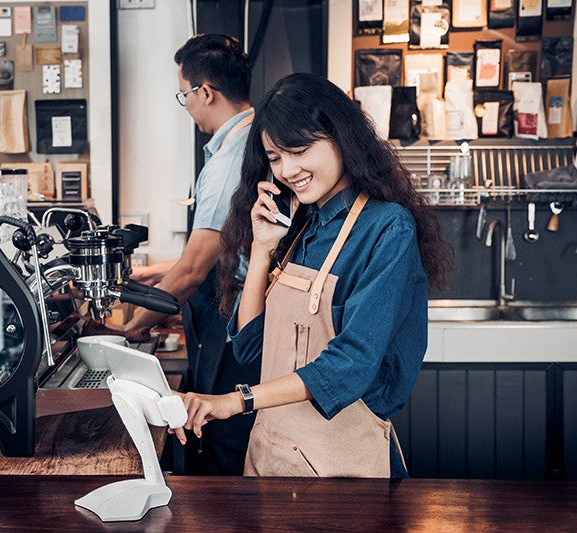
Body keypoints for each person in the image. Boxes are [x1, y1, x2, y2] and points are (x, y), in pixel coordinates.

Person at [172, 73, 450, 478]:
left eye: (298, 150)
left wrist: (235, 401)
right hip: (270, 454)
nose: (287, 170)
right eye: (274, 158)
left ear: (340, 137)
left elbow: (352, 364)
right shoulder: (303, 224)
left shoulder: (388, 229)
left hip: (339, 467)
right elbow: (251, 346)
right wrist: (263, 248)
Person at [122, 34, 260, 475]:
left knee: (221, 446)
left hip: (235, 325)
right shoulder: (255, 139)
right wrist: (150, 274)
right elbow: (223, 247)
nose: (185, 106)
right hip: (243, 315)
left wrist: (132, 329)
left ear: (205, 92)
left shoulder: (226, 162)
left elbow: (196, 268)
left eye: (184, 94)